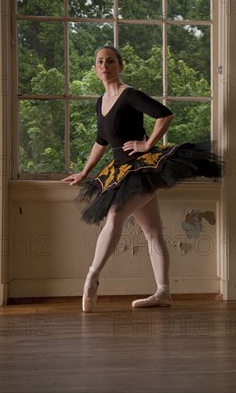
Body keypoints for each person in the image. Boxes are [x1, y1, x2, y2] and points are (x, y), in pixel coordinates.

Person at [62, 45, 221, 313]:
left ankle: (92, 277)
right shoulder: (100, 102)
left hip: (142, 168)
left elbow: (165, 115)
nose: (104, 65)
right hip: (120, 170)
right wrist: (85, 172)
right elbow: (101, 141)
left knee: (114, 216)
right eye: (100, 61)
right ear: (95, 68)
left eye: (110, 61)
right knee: (152, 232)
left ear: (120, 66)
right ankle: (163, 293)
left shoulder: (129, 95)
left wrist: (146, 145)